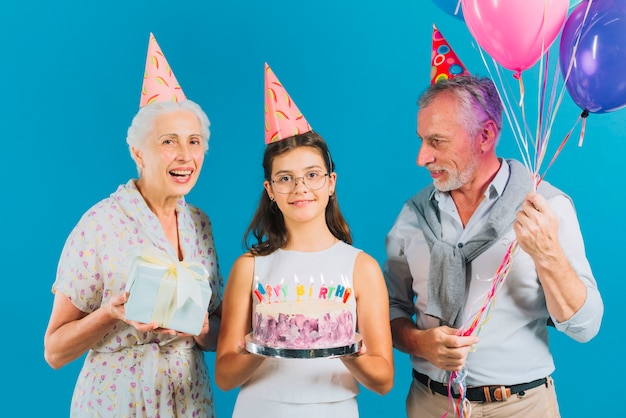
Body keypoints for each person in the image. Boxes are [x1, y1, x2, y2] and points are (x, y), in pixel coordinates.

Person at [383, 74, 603, 418]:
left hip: (522, 407)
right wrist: (419, 342)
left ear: (484, 136)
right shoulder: (413, 215)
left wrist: (549, 255)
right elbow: (390, 308)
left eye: (437, 142)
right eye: (422, 140)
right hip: (429, 404)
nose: (422, 157)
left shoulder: (547, 207)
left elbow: (586, 326)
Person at [43, 33, 223, 417]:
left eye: (194, 142)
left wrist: (202, 330)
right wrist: (110, 313)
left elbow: (216, 331)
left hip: (189, 401)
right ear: (138, 152)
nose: (185, 156)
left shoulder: (199, 224)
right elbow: (55, 351)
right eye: (168, 142)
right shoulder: (100, 224)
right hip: (117, 401)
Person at [214, 64, 393, 418]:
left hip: (334, 408)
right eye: (285, 178)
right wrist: (266, 343)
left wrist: (337, 344)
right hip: (260, 408)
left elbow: (384, 379)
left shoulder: (361, 267)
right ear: (270, 191)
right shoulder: (250, 267)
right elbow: (224, 375)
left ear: (331, 182)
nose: (300, 188)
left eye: (312, 175)